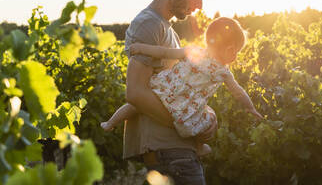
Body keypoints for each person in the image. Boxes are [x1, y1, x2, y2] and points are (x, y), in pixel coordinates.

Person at [101, 17, 263, 156]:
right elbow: (239, 93)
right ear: (230, 50)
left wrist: (141, 48)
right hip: (185, 106)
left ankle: (110, 123)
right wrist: (250, 108)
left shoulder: (193, 51)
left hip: (166, 88)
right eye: (237, 52)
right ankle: (199, 147)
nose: (236, 57)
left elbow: (163, 52)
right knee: (206, 121)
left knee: (135, 105)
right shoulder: (223, 72)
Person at [121, 0, 212, 185]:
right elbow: (135, 93)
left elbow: (173, 90)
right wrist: (190, 125)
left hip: (176, 154)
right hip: (170, 155)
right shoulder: (148, 25)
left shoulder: (164, 28)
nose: (199, 5)